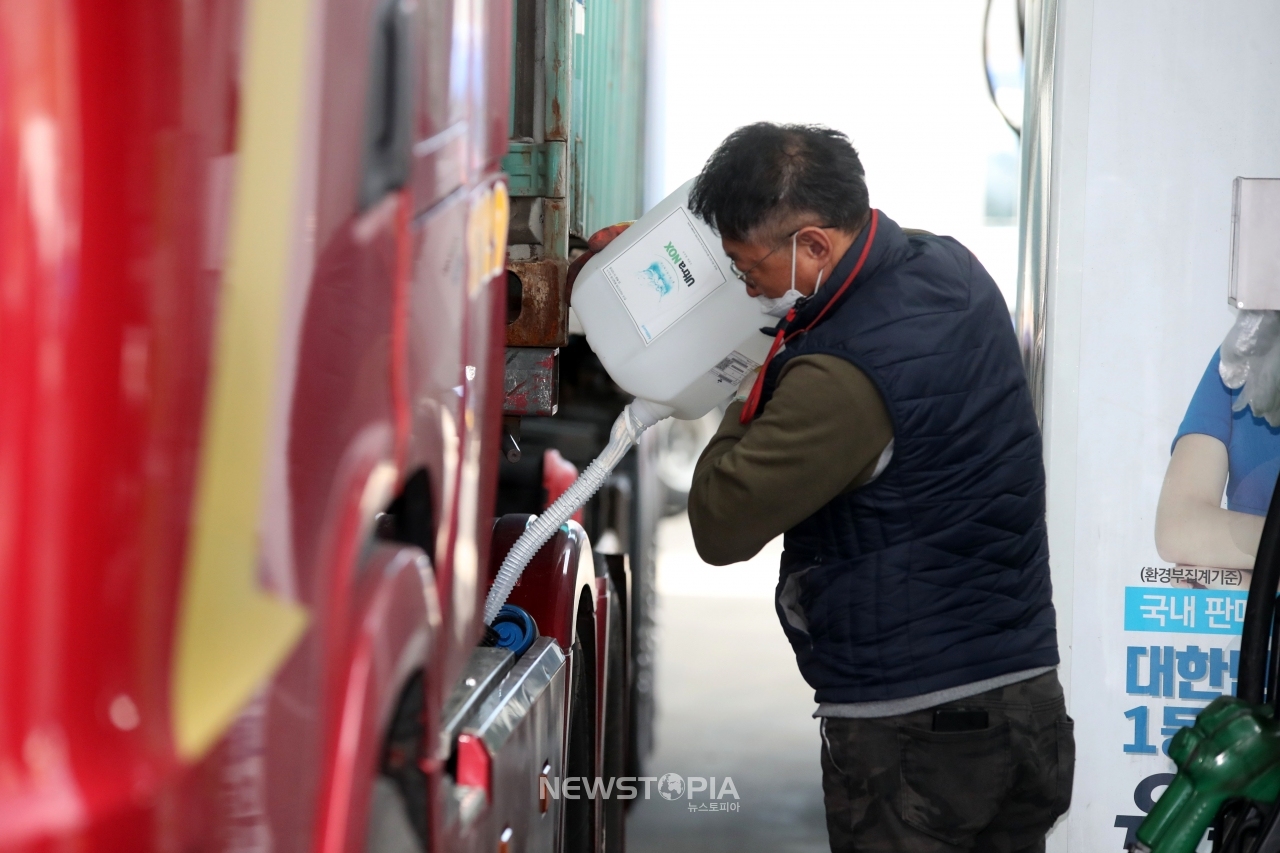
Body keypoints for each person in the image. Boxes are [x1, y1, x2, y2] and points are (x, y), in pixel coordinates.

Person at [675, 123, 1071, 853]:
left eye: (745, 266)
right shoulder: (950, 267)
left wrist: (747, 377)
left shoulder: (838, 378)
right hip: (1026, 707)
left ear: (815, 246)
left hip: (919, 741)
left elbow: (718, 523)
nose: (748, 286)